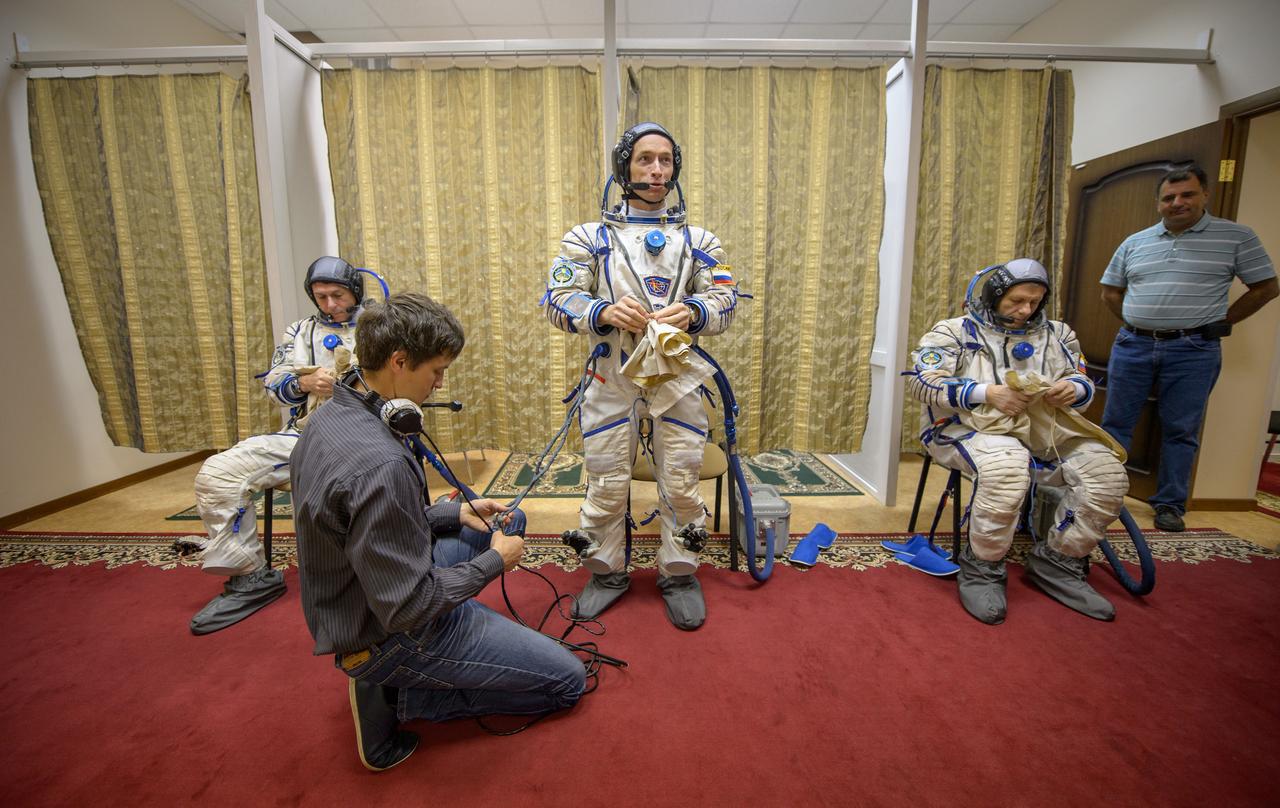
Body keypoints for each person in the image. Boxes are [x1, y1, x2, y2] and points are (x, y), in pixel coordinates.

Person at [290, 292, 585, 772]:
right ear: (398, 361)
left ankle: (428, 659)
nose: (441, 383)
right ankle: (404, 696)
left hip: (362, 593)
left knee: (499, 524)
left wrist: (453, 514)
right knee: (567, 682)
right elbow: (409, 605)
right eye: (437, 371)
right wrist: (494, 563)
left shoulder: (335, 414)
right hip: (389, 630)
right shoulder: (380, 464)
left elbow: (362, 527)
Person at [543, 122, 739, 630]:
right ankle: (606, 572)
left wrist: (693, 311)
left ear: (676, 168)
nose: (656, 171)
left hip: (676, 377)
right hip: (612, 377)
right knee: (607, 479)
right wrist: (604, 311)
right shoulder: (588, 238)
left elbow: (725, 300)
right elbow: (557, 300)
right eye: (645, 159)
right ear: (624, 166)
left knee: (682, 480)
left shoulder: (700, 241)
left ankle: (679, 573)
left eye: (665, 161)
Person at [906, 259, 1129, 625]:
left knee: (1107, 473)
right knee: (1007, 467)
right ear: (994, 296)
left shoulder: (1058, 335)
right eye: (1017, 301)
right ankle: (983, 568)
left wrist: (1072, 389)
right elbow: (922, 382)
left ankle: (1059, 562)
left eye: (1034, 302)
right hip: (963, 428)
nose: (1026, 310)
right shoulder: (954, 332)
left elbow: (1082, 379)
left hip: (1044, 430)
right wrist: (987, 393)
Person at [187, 256, 363, 635]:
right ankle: (251, 575)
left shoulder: (379, 326)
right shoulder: (299, 332)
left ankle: (366, 565)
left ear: (355, 291)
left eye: (338, 295)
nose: (330, 304)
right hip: (303, 437)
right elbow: (274, 385)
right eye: (321, 296)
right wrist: (304, 383)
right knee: (219, 472)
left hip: (364, 439)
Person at [1100, 164, 1277, 532]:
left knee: (1181, 429)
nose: (1177, 202)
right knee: (1114, 425)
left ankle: (1169, 504)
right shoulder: (1135, 242)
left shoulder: (1236, 237)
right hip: (1133, 344)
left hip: (1193, 349)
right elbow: (1111, 292)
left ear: (1205, 195)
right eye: (1169, 197)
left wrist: (1222, 322)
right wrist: (1136, 320)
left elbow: (1266, 287)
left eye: (1187, 194)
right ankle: (1101, 496)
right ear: (1158, 202)